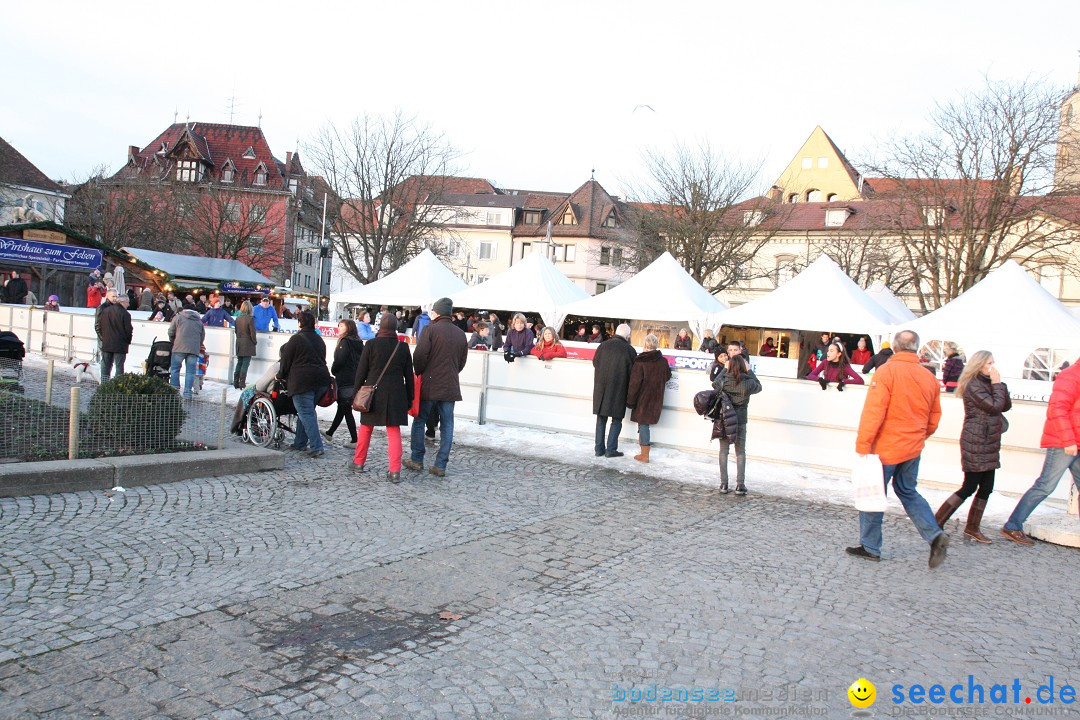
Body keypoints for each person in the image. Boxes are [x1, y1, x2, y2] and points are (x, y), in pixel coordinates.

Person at [847, 329, 948, 567]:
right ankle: (934, 534)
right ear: (917, 348)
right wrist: (921, 436)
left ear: (894, 347)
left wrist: (863, 443)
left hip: (886, 447)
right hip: (913, 446)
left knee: (873, 494)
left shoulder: (887, 372)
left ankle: (870, 546)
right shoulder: (928, 377)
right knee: (908, 491)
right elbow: (934, 417)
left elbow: (874, 412)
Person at [1000, 356, 1080, 546]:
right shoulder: (1071, 376)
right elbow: (1058, 409)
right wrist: (1069, 441)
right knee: (1045, 485)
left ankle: (1013, 525)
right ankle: (1012, 525)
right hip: (1064, 442)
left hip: (1074, 441)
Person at [933, 351, 1011, 543]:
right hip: (976, 440)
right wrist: (997, 384)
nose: (992, 366)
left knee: (987, 487)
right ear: (979, 365)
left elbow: (1005, 405)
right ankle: (936, 523)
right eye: (989, 363)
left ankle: (972, 528)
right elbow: (994, 406)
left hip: (989, 440)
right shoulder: (973, 385)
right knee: (969, 486)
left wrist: (1000, 384)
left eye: (993, 362)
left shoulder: (989, 383)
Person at [403, 297, 468, 477]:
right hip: (450, 386)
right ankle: (440, 465)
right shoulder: (460, 333)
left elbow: (420, 356)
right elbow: (461, 362)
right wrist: (452, 373)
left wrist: (421, 371)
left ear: (437, 312)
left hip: (430, 384)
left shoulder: (430, 329)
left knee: (420, 420)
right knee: (447, 425)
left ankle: (416, 459)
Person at [352, 315, 415, 482]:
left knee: (366, 428)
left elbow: (361, 372)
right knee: (393, 431)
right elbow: (409, 376)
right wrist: (410, 398)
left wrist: (356, 392)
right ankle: (394, 471)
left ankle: (358, 463)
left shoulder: (371, 344)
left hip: (373, 392)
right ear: (395, 327)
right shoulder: (402, 347)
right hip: (396, 394)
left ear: (380, 327)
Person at [277, 311, 332, 458]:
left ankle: (316, 446)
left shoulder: (296, 339)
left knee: (306, 413)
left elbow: (285, 362)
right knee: (306, 411)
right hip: (321, 381)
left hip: (302, 381)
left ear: (300, 323)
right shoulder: (319, 340)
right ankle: (300, 442)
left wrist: (280, 376)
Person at [712, 353, 762, 495]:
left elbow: (715, 383)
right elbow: (759, 386)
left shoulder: (724, 381)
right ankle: (740, 485)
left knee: (723, 451)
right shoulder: (748, 382)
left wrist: (724, 369)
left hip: (725, 418)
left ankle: (723, 484)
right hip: (740, 419)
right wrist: (750, 370)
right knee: (740, 452)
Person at [592, 323, 637, 458]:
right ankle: (611, 449)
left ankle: (599, 449)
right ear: (627, 335)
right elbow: (633, 372)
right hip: (619, 390)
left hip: (601, 388)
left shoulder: (603, 345)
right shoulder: (629, 350)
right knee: (616, 420)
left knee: (601, 419)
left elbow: (595, 363)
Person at [626, 334, 672, 464]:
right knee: (645, 423)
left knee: (643, 423)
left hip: (643, 398)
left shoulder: (641, 361)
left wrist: (630, 401)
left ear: (645, 345)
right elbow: (668, 376)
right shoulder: (662, 361)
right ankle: (644, 452)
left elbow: (634, 384)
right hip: (656, 397)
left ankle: (644, 454)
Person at [325, 319, 364, 448]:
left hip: (345, 378)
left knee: (344, 407)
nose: (339, 328)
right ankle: (330, 433)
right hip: (355, 379)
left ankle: (355, 440)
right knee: (344, 407)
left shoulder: (345, 342)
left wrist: (333, 370)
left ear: (348, 327)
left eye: (342, 326)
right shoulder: (358, 343)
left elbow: (340, 360)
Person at [168, 306, 206, 399]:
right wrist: (197, 345)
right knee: (190, 372)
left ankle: (174, 391)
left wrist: (173, 341)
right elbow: (202, 336)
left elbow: (171, 332)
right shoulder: (199, 322)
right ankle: (187, 393)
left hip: (178, 347)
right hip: (193, 349)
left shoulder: (178, 317)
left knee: (175, 369)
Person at [95, 289, 133, 382]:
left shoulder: (106, 310)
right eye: (128, 302)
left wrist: (104, 339)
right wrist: (127, 341)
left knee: (106, 366)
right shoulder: (125, 314)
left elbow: (99, 326)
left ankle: (104, 385)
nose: (129, 304)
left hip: (107, 343)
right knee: (119, 367)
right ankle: (117, 386)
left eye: (116, 296)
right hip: (119, 345)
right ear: (123, 302)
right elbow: (129, 330)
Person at [233, 300, 257, 388]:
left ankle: (236, 382)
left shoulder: (238, 318)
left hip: (239, 342)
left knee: (239, 362)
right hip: (248, 343)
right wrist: (254, 342)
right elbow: (252, 333)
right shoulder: (250, 319)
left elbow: (236, 331)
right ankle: (242, 383)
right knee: (245, 363)